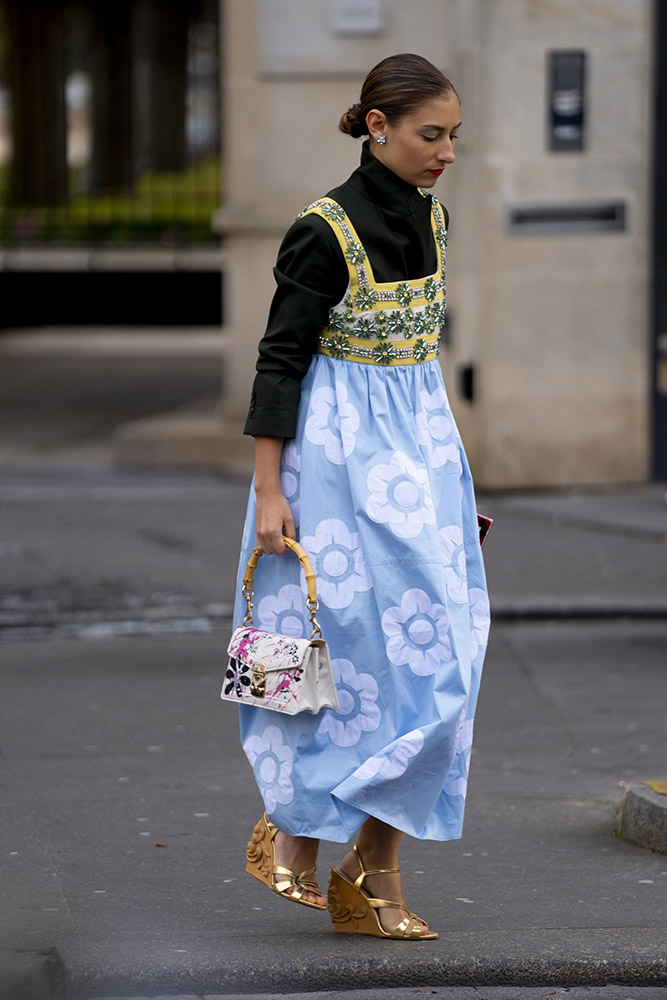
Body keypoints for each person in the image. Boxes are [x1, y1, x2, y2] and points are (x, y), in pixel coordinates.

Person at [232, 52, 490, 940]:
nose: (446, 150)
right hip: (329, 470)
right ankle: (336, 853)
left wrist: (445, 479)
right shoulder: (321, 228)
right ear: (376, 127)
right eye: (431, 134)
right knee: (337, 662)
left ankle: (335, 848)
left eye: (454, 134)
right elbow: (278, 361)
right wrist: (268, 494)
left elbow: (418, 373)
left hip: (419, 460)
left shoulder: (436, 216)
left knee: (445, 671)